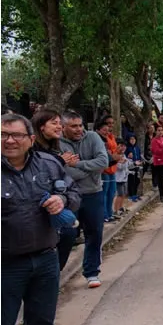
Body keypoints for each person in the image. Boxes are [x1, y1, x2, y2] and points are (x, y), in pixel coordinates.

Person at [2, 113, 80, 325]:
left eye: (16, 135)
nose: (9, 140)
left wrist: (63, 201)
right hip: (5, 263)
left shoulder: (48, 164)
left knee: (42, 321)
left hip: (45, 256)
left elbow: (72, 193)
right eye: (3, 134)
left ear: (30, 139)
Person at [58, 111, 109, 288]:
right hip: (69, 197)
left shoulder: (93, 137)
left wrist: (76, 164)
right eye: (73, 126)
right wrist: (90, 168)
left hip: (93, 193)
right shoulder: (57, 143)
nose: (79, 129)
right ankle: (54, 273)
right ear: (63, 127)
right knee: (67, 234)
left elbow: (103, 162)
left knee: (95, 232)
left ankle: (92, 272)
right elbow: (63, 171)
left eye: (80, 125)